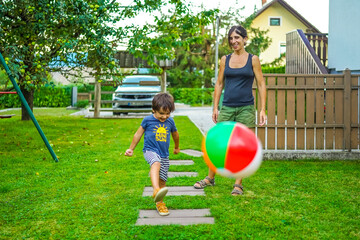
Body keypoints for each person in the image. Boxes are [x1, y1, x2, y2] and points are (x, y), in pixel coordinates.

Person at [194, 25, 267, 195]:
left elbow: (261, 83)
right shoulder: (224, 60)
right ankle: (210, 178)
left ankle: (238, 184)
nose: (234, 42)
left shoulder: (253, 59)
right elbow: (219, 84)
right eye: (231, 39)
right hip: (227, 107)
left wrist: (262, 109)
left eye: (237, 38)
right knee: (218, 143)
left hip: (246, 108)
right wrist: (215, 106)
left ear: (244, 39)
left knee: (242, 147)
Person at [125, 93, 180, 215]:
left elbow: (175, 135)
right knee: (155, 163)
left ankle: (159, 202)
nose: (164, 116)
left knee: (163, 180)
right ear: (153, 110)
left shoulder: (170, 121)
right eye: (161, 113)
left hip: (164, 154)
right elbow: (138, 134)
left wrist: (176, 147)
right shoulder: (147, 120)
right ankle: (155, 190)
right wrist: (131, 149)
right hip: (150, 150)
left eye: (167, 113)